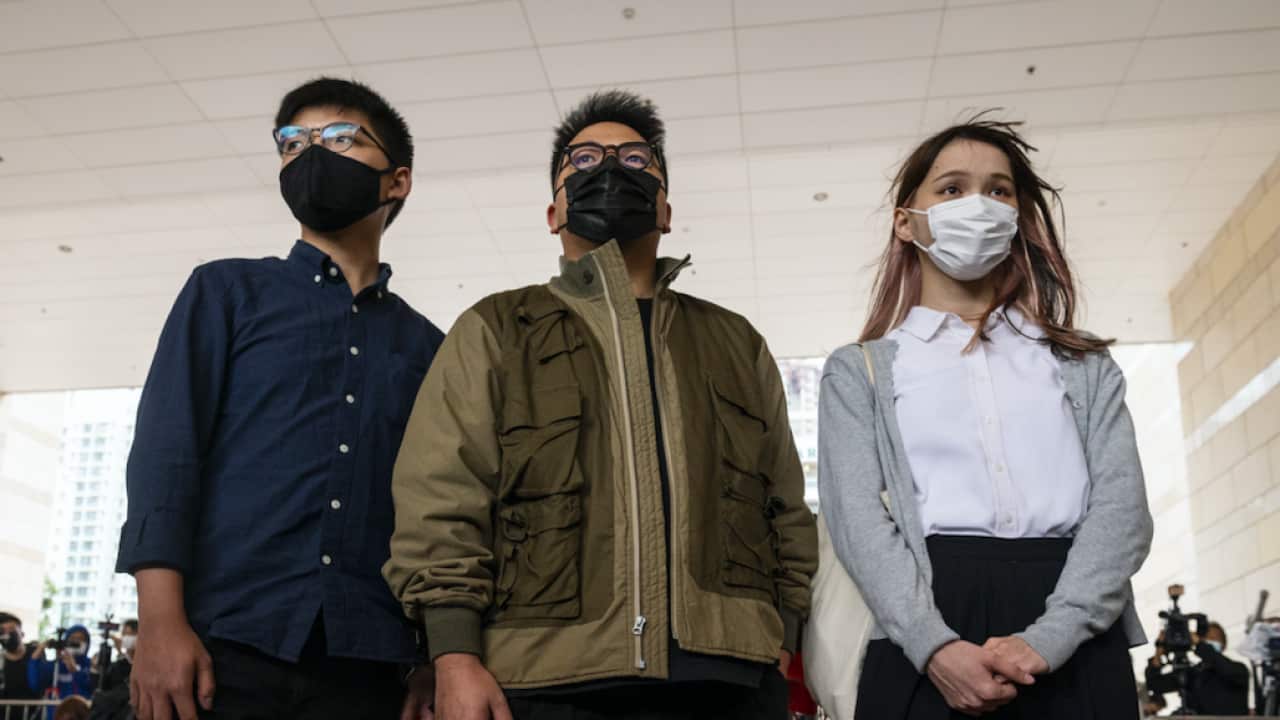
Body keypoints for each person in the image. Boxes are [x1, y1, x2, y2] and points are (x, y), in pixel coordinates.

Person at [384, 89, 818, 720]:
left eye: (637, 161)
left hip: (728, 679)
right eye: (583, 161)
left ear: (666, 210)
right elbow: (441, 497)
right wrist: (452, 654)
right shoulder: (498, 327)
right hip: (545, 679)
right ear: (554, 211)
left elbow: (786, 503)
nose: (610, 170)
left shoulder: (735, 340)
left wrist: (783, 635)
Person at [116, 77, 443, 720]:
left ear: (397, 180)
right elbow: (165, 456)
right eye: (293, 143)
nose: (311, 153)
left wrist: (435, 655)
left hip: (369, 669)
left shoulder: (429, 347)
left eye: (341, 137)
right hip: (221, 650)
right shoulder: (226, 292)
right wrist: (158, 623)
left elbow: (436, 513)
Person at [818, 115, 1153, 719]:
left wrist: (1046, 640)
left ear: (1019, 215)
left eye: (998, 191)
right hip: (922, 623)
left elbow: (1123, 512)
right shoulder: (858, 371)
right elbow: (857, 523)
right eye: (951, 189)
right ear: (906, 221)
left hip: (1075, 624)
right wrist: (934, 645)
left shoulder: (1082, 364)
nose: (978, 205)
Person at [1146, 622, 1250, 715]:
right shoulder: (1193, 674)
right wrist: (1159, 651)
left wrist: (1200, 644)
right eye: (1205, 638)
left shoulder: (1239, 670)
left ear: (1223, 645)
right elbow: (1155, 684)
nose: (1207, 642)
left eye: (1213, 638)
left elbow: (1223, 666)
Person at [28, 626, 94, 701]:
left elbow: (91, 687)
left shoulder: (90, 665)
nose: (76, 642)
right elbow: (36, 684)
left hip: (80, 709)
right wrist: (35, 659)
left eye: (81, 639)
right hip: (56, 710)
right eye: (72, 638)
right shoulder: (56, 665)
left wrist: (75, 671)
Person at [1, 612, 38, 699]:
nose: (7, 634)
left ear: (22, 633)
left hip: (34, 710)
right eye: (2, 631)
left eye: (11, 629)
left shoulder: (35, 653)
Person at [98, 619, 137, 692]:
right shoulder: (118, 663)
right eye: (123, 634)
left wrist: (113, 637)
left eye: (129, 634)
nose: (124, 637)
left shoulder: (143, 665)